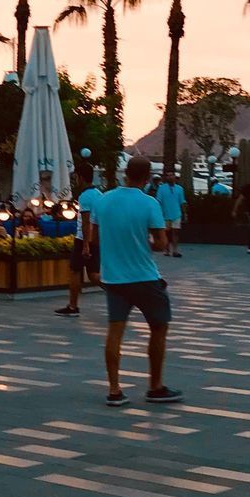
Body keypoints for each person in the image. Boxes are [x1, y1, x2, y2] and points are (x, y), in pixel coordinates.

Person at [89, 155, 181, 407]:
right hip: (144, 277)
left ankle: (115, 390)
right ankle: (155, 386)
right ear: (148, 177)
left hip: (114, 278)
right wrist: (143, 242)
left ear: (125, 173)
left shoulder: (102, 201)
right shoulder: (150, 204)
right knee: (159, 327)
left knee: (115, 332)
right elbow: (162, 243)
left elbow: (94, 239)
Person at [56, 167, 103, 317]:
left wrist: (85, 245)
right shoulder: (99, 195)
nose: (74, 180)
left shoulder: (85, 196)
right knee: (94, 275)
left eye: (76, 177)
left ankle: (73, 306)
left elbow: (85, 221)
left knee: (74, 271)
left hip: (83, 239)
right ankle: (120, 292)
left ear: (81, 178)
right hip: (96, 238)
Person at [155, 169, 188, 258]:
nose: (170, 177)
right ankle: (166, 250)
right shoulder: (161, 188)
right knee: (166, 233)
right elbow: (158, 201)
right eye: (168, 175)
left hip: (177, 213)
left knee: (176, 232)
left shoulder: (179, 189)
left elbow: (182, 201)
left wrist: (185, 213)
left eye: (171, 175)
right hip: (165, 214)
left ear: (174, 176)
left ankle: (175, 250)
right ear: (166, 177)